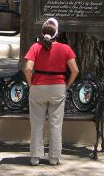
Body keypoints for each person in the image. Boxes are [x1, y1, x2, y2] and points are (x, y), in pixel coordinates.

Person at [23, 17, 79, 166]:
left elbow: (28, 68)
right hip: (58, 87)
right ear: (57, 33)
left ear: (42, 33)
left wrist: (31, 84)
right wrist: (66, 85)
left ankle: (35, 157)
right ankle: (54, 158)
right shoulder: (65, 49)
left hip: (38, 87)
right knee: (56, 123)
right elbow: (75, 70)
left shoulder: (35, 47)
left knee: (36, 123)